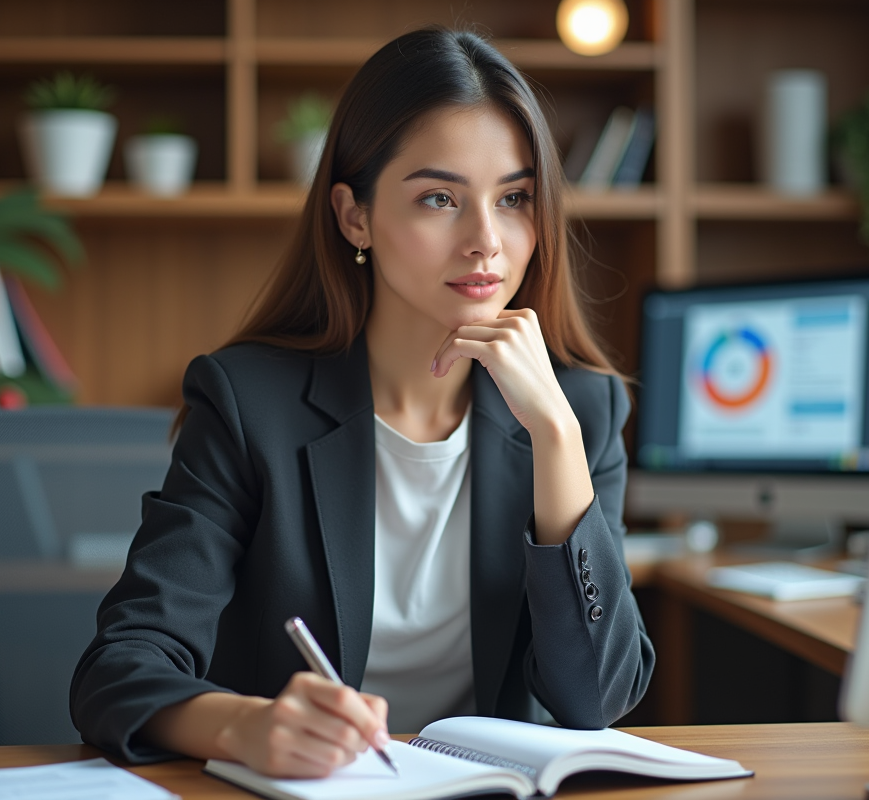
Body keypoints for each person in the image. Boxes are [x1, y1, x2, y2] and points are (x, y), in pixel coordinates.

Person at [70, 26, 654, 778]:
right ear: (355, 216)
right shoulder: (250, 404)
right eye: (440, 198)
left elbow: (595, 698)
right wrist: (246, 726)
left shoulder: (580, 412)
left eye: (514, 199)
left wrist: (557, 439)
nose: (487, 242)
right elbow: (117, 669)